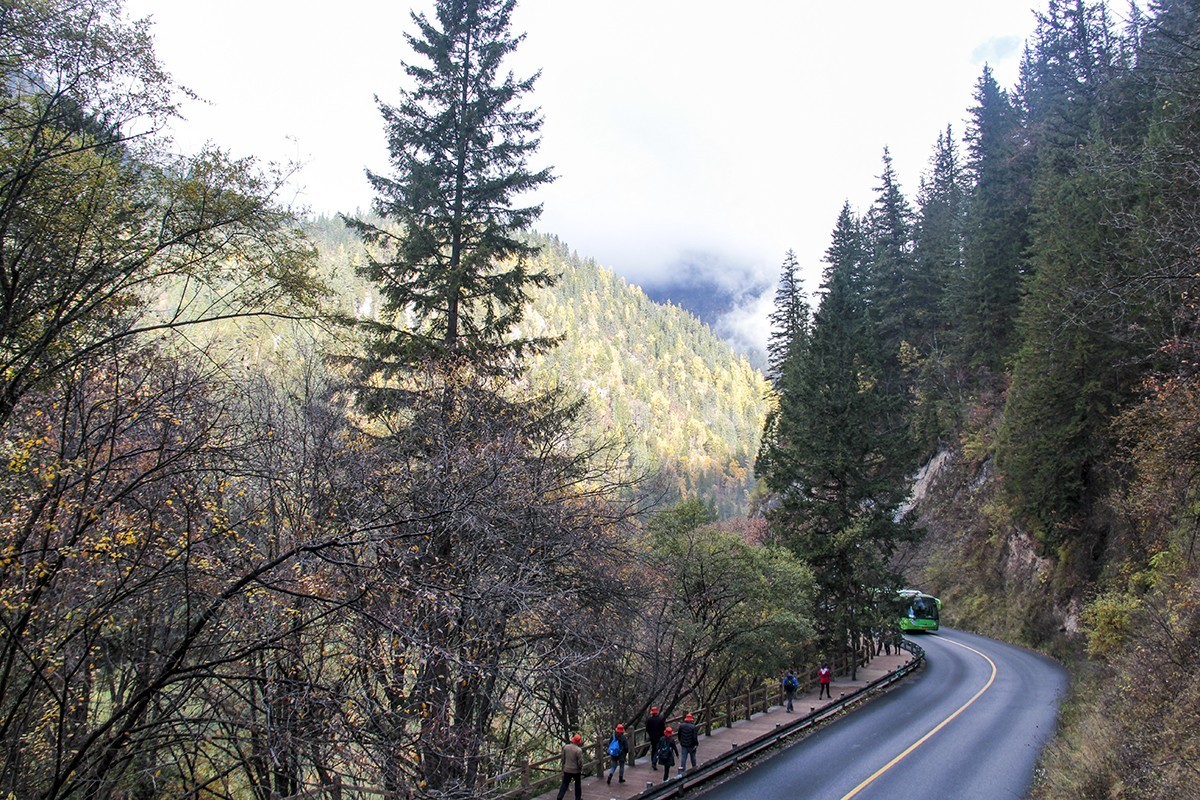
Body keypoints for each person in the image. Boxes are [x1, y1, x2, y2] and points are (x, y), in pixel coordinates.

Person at [555, 733, 584, 800]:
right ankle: (578, 798)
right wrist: (580, 768)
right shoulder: (578, 750)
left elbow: (563, 758)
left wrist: (563, 766)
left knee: (564, 784)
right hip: (576, 770)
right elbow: (580, 762)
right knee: (577, 785)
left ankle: (559, 797)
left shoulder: (566, 747)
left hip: (567, 769)